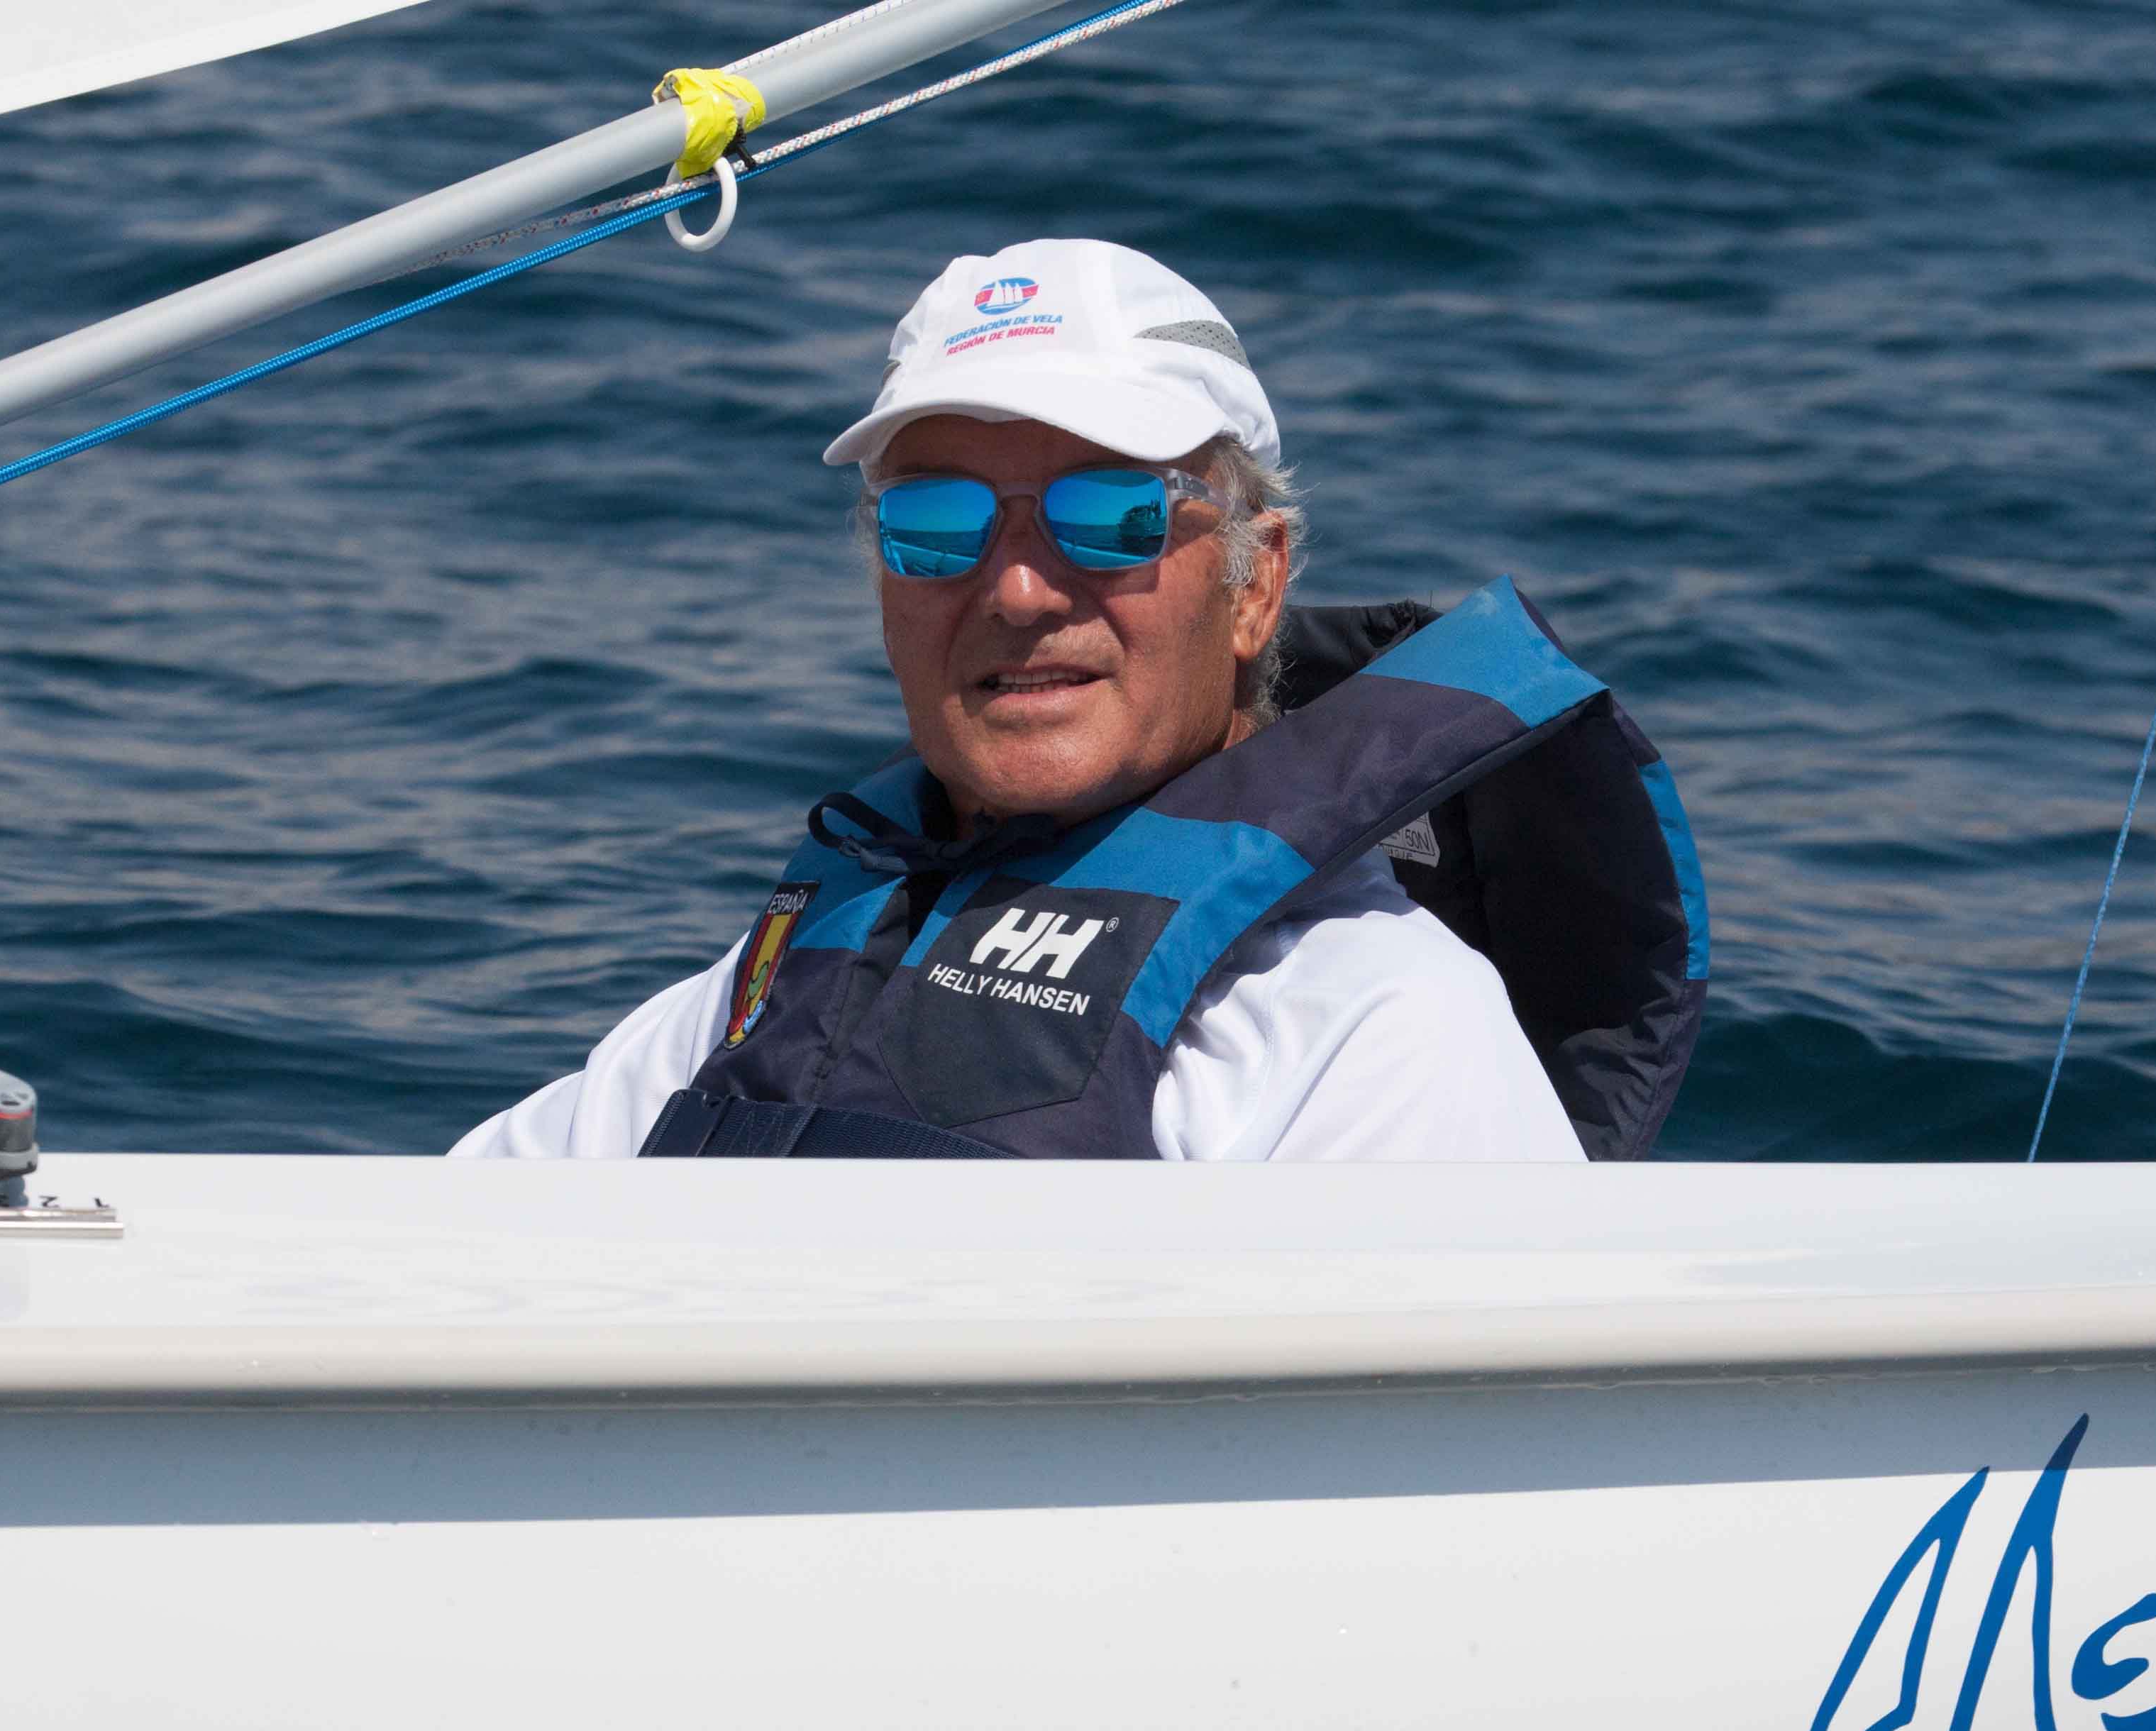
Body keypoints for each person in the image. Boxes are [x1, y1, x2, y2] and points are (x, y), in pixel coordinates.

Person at [455, 239, 1705, 1161]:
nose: (1015, 590)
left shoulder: (1374, 1024)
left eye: (1110, 516)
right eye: (936, 523)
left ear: (1256, 583)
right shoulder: (779, 972)